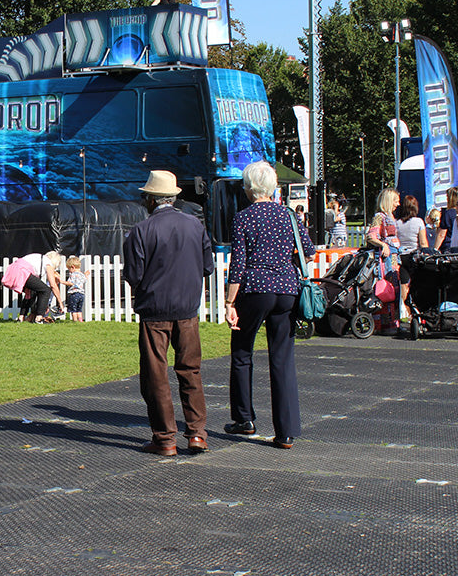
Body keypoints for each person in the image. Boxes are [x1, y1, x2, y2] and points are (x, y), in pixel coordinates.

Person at [224, 161, 315, 450]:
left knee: (241, 351)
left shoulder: (243, 218)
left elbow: (238, 265)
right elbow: (309, 253)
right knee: (282, 358)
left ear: (249, 189)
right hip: (286, 290)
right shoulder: (289, 215)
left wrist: (229, 301)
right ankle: (285, 431)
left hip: (255, 289)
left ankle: (244, 417)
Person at [123, 170, 213, 456]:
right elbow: (207, 267)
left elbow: (134, 275)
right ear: (173, 197)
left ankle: (165, 438)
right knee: (190, 371)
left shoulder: (140, 231)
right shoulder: (195, 225)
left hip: (154, 311)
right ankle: (197, 433)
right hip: (187, 309)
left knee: (156, 374)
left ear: (150, 200)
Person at [367, 188, 401, 333]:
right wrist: (383, 245)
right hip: (386, 261)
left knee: (394, 289)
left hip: (394, 260)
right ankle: (384, 325)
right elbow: (371, 236)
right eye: (395, 200)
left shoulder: (390, 216)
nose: (398, 204)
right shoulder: (380, 217)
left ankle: (393, 323)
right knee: (386, 290)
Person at [2, 251, 64, 322]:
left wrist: (43, 305)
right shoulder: (48, 263)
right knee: (46, 290)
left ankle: (21, 317)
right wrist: (60, 303)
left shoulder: (38, 258)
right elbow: (53, 285)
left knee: (31, 292)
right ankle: (39, 318)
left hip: (14, 270)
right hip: (22, 271)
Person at [395, 194, 428, 313]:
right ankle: (417, 309)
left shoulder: (397, 223)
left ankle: (407, 311)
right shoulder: (419, 222)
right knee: (416, 282)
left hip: (401, 256)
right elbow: (423, 242)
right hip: (415, 256)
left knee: (404, 283)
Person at [434, 186, 458, 252]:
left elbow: (441, 234)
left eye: (447, 197)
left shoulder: (448, 213)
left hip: (448, 247)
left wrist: (434, 249)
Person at [64, 255, 86, 321]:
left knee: (73, 310)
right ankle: (80, 320)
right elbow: (85, 280)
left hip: (74, 293)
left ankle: (75, 320)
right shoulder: (82, 274)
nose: (69, 271)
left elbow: (70, 283)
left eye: (69, 269)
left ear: (73, 267)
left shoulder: (73, 274)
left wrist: (62, 281)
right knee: (79, 310)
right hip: (81, 294)